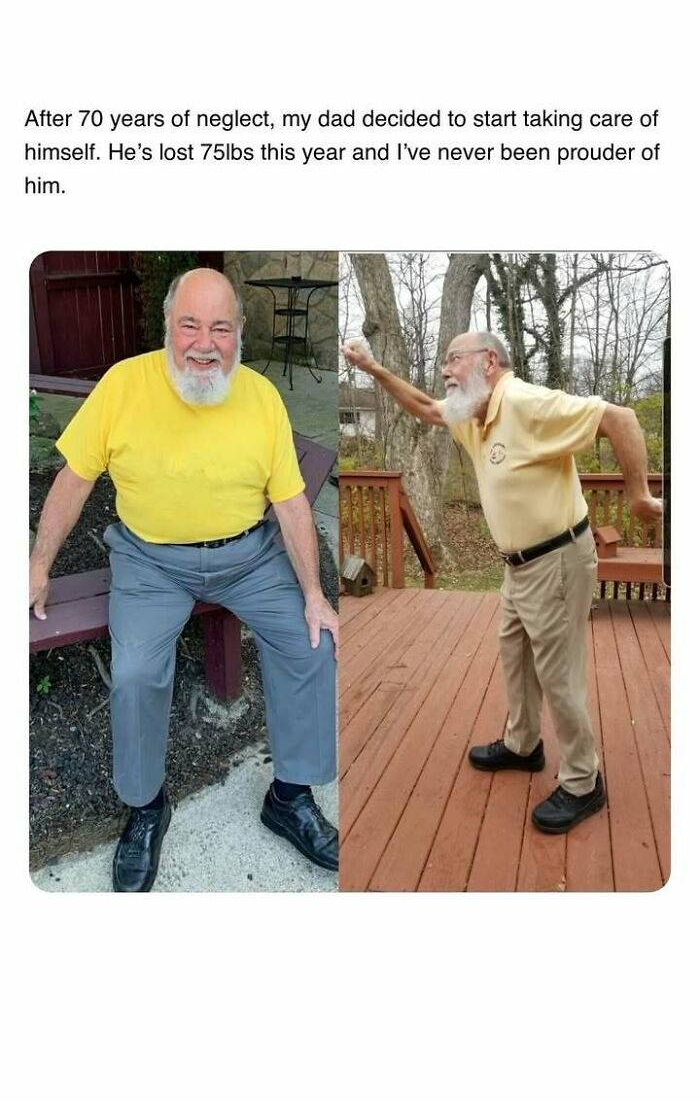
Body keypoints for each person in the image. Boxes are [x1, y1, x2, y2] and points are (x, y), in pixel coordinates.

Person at [30, 268, 338, 890]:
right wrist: (37, 565)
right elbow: (74, 478)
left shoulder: (260, 397)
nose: (205, 342)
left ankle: (289, 794)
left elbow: (291, 501)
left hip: (250, 559)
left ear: (239, 334)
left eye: (220, 327)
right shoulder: (124, 384)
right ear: (167, 327)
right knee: (137, 671)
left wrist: (313, 594)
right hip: (150, 565)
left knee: (314, 643)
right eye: (189, 325)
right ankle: (146, 807)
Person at [342, 331, 662, 834]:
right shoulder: (475, 413)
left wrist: (639, 495)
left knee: (559, 673)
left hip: (556, 560)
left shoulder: (527, 403)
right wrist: (375, 371)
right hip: (518, 566)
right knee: (514, 655)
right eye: (443, 361)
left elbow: (620, 418)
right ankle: (523, 744)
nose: (444, 370)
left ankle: (583, 781)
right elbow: (427, 408)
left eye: (453, 360)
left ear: (489, 361)